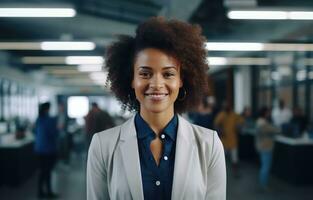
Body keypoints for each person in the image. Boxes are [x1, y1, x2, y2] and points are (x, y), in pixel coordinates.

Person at [87, 17, 226, 200]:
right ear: (132, 79)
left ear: (181, 80)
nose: (156, 84)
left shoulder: (209, 144)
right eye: (145, 73)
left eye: (168, 74)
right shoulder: (103, 146)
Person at [34, 102, 59, 198]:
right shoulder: (50, 120)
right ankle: (49, 192)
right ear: (47, 109)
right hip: (48, 150)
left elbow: (35, 132)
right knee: (47, 172)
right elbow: (54, 134)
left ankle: (40, 192)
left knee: (42, 171)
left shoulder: (38, 120)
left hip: (39, 149)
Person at [214, 102, 244, 177]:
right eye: (225, 107)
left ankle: (235, 173)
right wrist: (220, 130)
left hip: (233, 140)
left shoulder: (234, 114)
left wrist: (238, 126)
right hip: (224, 140)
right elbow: (215, 124)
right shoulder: (221, 115)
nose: (226, 108)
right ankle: (220, 174)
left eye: (227, 106)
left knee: (235, 159)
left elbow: (241, 120)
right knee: (221, 158)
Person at [255, 106, 280, 191]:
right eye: (268, 112)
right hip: (265, 147)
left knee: (264, 166)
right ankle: (263, 185)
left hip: (263, 146)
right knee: (265, 167)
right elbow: (275, 130)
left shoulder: (261, 122)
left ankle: (263, 184)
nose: (269, 114)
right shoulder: (262, 123)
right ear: (265, 113)